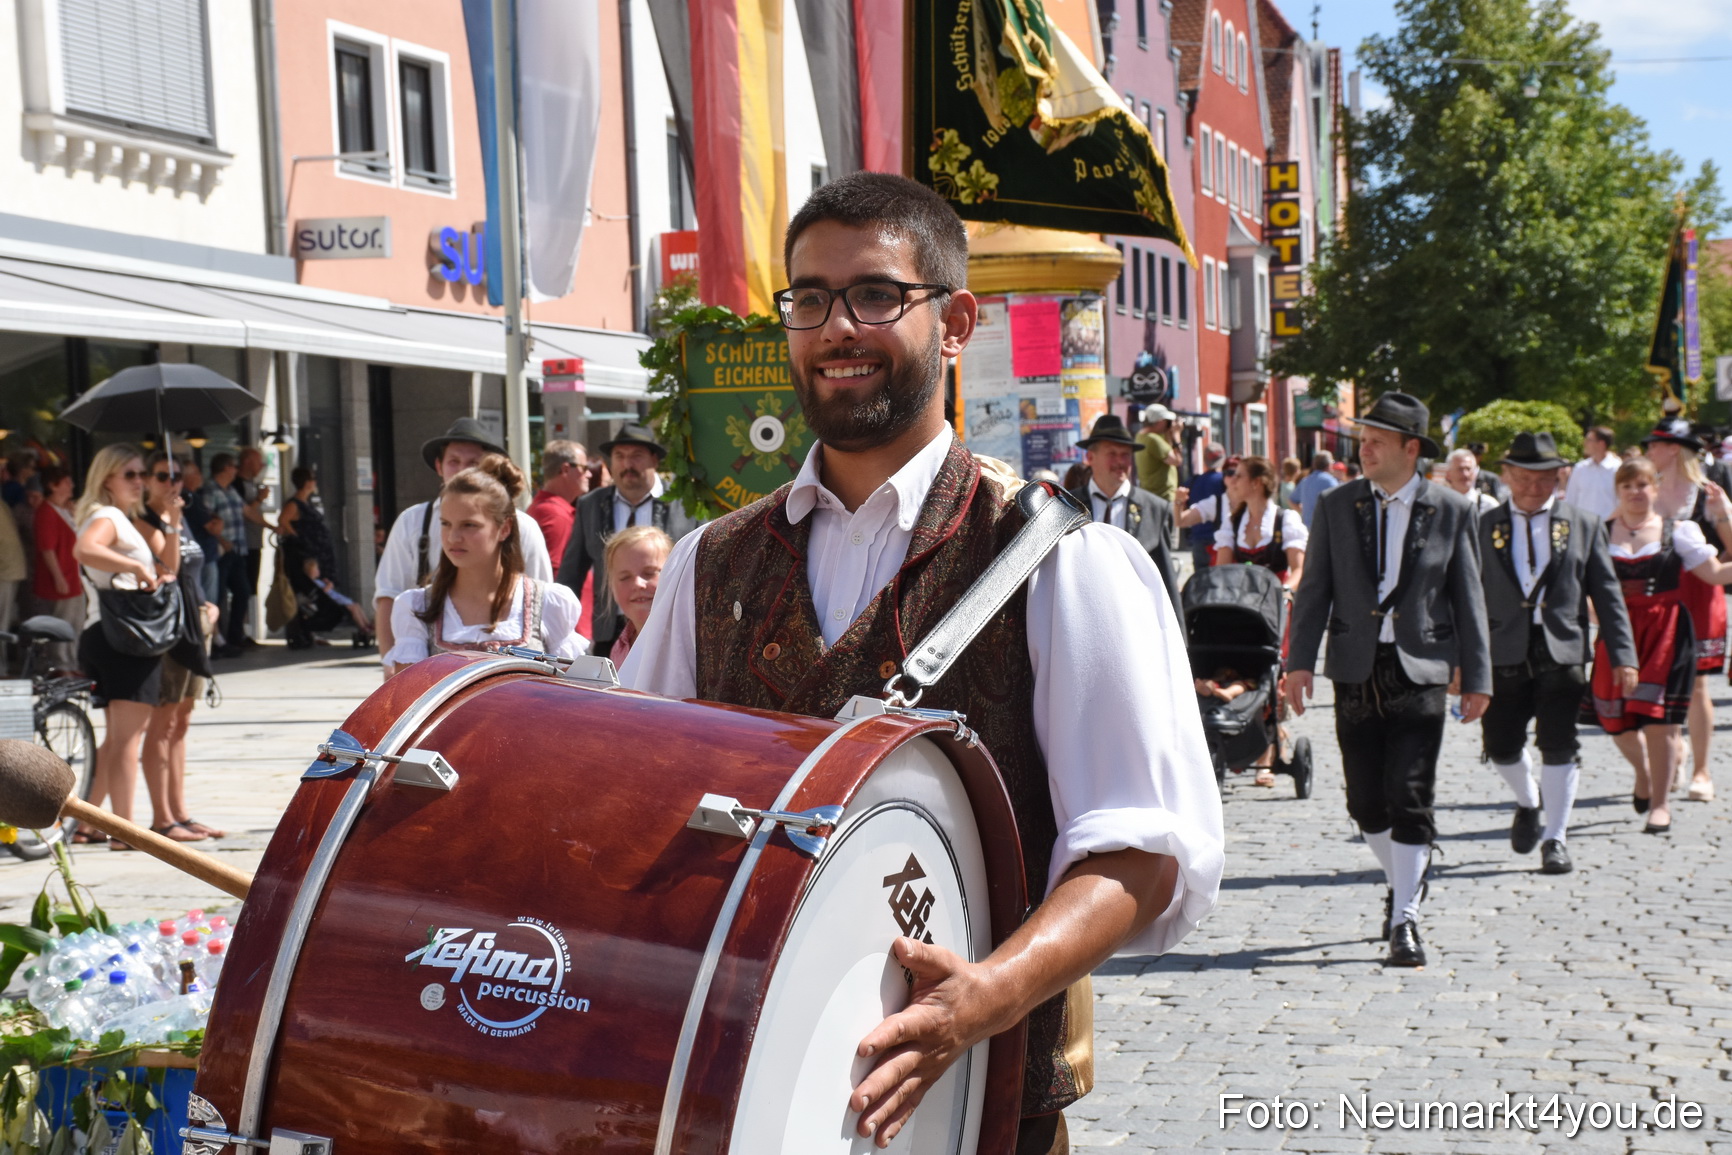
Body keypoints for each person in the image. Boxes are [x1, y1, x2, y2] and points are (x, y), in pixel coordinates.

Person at [619, 170, 1223, 1150]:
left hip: (975, 1111)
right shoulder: (707, 562)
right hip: (744, 1099)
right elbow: (636, 801)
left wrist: (985, 997)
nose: (836, 327)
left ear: (954, 323)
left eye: (873, 295)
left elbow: (1138, 853)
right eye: (808, 299)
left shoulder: (1060, 558)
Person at [1287, 392, 1491, 969]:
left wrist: (1478, 676)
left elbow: (1468, 597)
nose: (1364, 447)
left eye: (1376, 439)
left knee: (1410, 794)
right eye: (1362, 438)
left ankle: (1405, 918)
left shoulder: (1451, 508)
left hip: (1421, 669)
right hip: (1354, 668)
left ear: (1411, 449)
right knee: (1366, 803)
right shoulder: (1334, 504)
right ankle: (1409, 878)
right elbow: (1315, 589)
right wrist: (1299, 661)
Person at [1477, 433, 1636, 875]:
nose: (1533, 486)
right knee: (1501, 744)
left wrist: (1623, 653)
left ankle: (1556, 838)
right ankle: (1528, 802)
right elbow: (1463, 597)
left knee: (1559, 744)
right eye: (1524, 477)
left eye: (1543, 478)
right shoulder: (1483, 526)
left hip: (1562, 648)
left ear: (1558, 477)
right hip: (1501, 648)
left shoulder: (1583, 523)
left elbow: (1607, 592)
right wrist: (1458, 659)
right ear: (1507, 475)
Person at [1583, 458, 1732, 834]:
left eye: (1643, 485)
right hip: (1618, 633)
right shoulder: (1598, 534)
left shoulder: (1678, 531)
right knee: (1612, 716)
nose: (1636, 492)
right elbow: (1579, 586)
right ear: (1618, 491)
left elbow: (1715, 574)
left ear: (1655, 489)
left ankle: (1661, 804)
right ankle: (1643, 773)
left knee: (1661, 721)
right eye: (1628, 486)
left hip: (1666, 631)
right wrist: (1594, 613)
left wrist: (1725, 520)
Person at [384, 455, 585, 675]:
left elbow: (572, 697)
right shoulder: (417, 607)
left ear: (505, 528)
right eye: (446, 524)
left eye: (469, 525)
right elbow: (411, 702)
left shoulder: (548, 603)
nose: (453, 537)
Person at [374, 418, 553, 665]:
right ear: (439, 466)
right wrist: (388, 664)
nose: (454, 537)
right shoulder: (413, 521)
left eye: (473, 463)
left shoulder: (524, 527)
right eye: (454, 462)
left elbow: (540, 603)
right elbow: (388, 595)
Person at [72, 444, 172, 850]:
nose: (139, 481)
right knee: (127, 739)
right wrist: (134, 566)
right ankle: (124, 830)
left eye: (141, 474)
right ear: (107, 478)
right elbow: (84, 549)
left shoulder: (117, 517)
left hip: (106, 632)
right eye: (129, 474)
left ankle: (86, 822)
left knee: (116, 739)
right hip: (124, 637)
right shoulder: (108, 515)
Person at [1641, 418, 1732, 804]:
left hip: (1699, 593)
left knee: (1696, 687)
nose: (1648, 452)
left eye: (1654, 445)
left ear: (1673, 449)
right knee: (1653, 681)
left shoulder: (1706, 493)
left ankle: (1702, 771)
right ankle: (1672, 750)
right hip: (1653, 593)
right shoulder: (1646, 490)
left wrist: (1724, 513)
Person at [555, 424, 699, 656]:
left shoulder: (685, 504)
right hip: (608, 633)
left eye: (636, 456)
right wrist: (560, 629)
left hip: (673, 631)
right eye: (619, 457)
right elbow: (570, 575)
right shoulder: (590, 505)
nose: (627, 464)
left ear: (655, 460)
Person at [139, 453, 222, 843]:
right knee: (164, 719)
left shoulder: (179, 516)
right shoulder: (146, 521)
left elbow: (193, 566)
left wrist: (208, 602)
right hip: (169, 628)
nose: (172, 484)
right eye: (163, 476)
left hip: (194, 621)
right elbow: (168, 568)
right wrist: (171, 522)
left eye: (176, 476)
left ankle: (181, 812)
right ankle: (162, 818)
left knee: (183, 719)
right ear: (147, 481)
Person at [1071, 414, 1178, 609]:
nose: (1120, 462)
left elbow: (1165, 580)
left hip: (1137, 615)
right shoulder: (1067, 504)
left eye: (1125, 455)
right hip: (1083, 612)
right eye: (1112, 454)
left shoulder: (1155, 508)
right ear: (1090, 457)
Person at [279, 467, 374, 647]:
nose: (315, 483)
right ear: (306, 482)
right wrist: (298, 537)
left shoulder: (307, 503)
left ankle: (313, 632)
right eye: (313, 479)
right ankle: (306, 629)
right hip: (308, 556)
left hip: (320, 555)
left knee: (327, 590)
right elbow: (283, 521)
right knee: (320, 595)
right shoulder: (294, 504)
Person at [1213, 455, 1307, 588]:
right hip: (1241, 604)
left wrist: (1284, 591)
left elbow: (1299, 570)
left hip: (1277, 603)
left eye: (1239, 476)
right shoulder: (1233, 521)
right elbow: (1221, 571)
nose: (1233, 481)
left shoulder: (1285, 520)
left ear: (1256, 483)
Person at [30, 465, 82, 671]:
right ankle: (61, 665)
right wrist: (58, 577)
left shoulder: (64, 509)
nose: (72, 486)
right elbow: (47, 548)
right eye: (67, 482)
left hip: (74, 576)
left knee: (75, 623)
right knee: (63, 624)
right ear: (53, 485)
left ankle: (71, 662)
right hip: (63, 578)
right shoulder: (46, 512)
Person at [200, 454, 250, 659]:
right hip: (221, 551)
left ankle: (234, 636)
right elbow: (208, 520)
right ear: (224, 468)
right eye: (234, 466)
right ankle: (217, 641)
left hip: (238, 550)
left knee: (243, 592)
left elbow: (247, 511)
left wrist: (272, 526)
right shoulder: (210, 491)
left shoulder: (231, 491)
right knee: (217, 596)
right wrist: (222, 540)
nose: (237, 470)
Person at [604, 525, 671, 667]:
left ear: (673, 574)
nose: (638, 584)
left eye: (649, 573)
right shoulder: (620, 647)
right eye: (624, 577)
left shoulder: (686, 644)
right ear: (612, 586)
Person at [233, 447, 272, 649]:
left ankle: (245, 631)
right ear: (248, 461)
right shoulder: (237, 485)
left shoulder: (251, 484)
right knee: (243, 588)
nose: (262, 467)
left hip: (255, 542)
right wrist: (260, 500)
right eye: (259, 462)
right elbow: (246, 511)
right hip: (242, 544)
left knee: (250, 590)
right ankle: (238, 632)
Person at [527, 440, 589, 567]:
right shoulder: (555, 514)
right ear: (565, 469)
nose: (589, 474)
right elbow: (555, 572)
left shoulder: (549, 508)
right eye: (584, 468)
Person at [1175, 448, 1231, 571]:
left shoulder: (1193, 481)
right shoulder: (1226, 480)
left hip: (1198, 539)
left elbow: (1183, 506)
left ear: (1205, 460)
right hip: (1218, 540)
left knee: (1200, 582)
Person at [180, 459, 219, 604]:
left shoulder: (193, 497)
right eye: (196, 473)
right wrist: (218, 521)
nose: (201, 476)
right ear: (186, 477)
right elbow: (213, 527)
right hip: (203, 555)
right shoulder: (190, 498)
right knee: (207, 603)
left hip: (197, 555)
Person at [1563, 426, 1620, 521]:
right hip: (1581, 526)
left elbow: (1621, 503)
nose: (1584, 443)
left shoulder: (1617, 469)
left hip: (1608, 527)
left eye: (1589, 440)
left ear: (1601, 444)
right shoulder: (1580, 468)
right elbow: (1570, 500)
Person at [1135, 404, 1180, 502]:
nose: (1169, 424)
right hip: (1163, 497)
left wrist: (1168, 434)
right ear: (1160, 422)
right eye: (1167, 421)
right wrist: (1176, 435)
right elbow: (1176, 460)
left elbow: (1168, 450)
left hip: (1151, 496)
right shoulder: (1153, 439)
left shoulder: (1140, 436)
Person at [1443, 448, 1500, 515]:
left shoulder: (1489, 506)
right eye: (1460, 469)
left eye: (1468, 469)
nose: (1465, 474)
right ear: (1448, 474)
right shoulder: (1438, 504)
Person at [1294, 451, 1338, 527]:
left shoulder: (1305, 481)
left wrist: (1304, 512)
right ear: (1329, 465)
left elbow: (1291, 500)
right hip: (1324, 529)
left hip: (1307, 528)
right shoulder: (1330, 481)